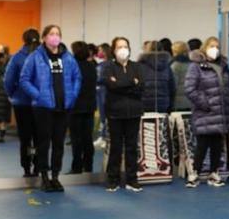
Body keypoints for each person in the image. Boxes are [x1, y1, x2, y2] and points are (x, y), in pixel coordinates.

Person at [20, 25, 80, 193]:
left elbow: (77, 77)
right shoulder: (35, 57)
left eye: (57, 34)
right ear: (44, 37)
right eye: (51, 34)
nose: (55, 37)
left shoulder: (68, 58)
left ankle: (55, 176)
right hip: (43, 108)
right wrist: (38, 96)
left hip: (63, 107)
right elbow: (24, 79)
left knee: (59, 143)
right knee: (43, 143)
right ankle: (44, 176)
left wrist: (73, 95)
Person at [184, 36, 229, 188]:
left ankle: (214, 172)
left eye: (217, 46)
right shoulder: (196, 66)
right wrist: (205, 103)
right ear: (205, 48)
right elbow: (190, 89)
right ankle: (194, 173)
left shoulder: (224, 66)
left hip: (222, 112)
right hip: (205, 112)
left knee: (217, 145)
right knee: (202, 144)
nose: (215, 49)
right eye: (212, 46)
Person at [102, 37, 144, 192]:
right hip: (115, 113)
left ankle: (132, 179)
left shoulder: (137, 67)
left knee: (132, 147)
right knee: (116, 147)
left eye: (125, 46)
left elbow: (141, 86)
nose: (123, 49)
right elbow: (111, 85)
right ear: (113, 50)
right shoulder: (108, 68)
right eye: (119, 47)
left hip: (134, 112)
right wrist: (131, 82)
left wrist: (122, 84)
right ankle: (113, 179)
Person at [3, 29, 40, 177]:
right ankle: (38, 167)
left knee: (25, 138)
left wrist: (12, 95)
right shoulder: (43, 57)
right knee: (39, 137)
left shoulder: (17, 58)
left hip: (21, 103)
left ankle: (26, 167)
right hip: (40, 104)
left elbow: (8, 80)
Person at [67, 41, 97, 175]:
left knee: (76, 139)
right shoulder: (92, 67)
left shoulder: (72, 67)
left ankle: (77, 166)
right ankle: (89, 165)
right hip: (89, 106)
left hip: (75, 107)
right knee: (87, 138)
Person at [140, 40, 175, 114]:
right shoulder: (167, 66)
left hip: (145, 104)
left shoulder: (140, 66)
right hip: (163, 104)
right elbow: (172, 88)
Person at [0, 44, 12, 142]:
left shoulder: (10, 61)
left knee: (3, 114)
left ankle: (1, 134)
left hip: (6, 90)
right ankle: (0, 133)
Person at [170, 41, 193, 112]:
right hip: (191, 101)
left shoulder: (175, 66)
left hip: (178, 103)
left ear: (175, 51)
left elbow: (173, 86)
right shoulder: (193, 65)